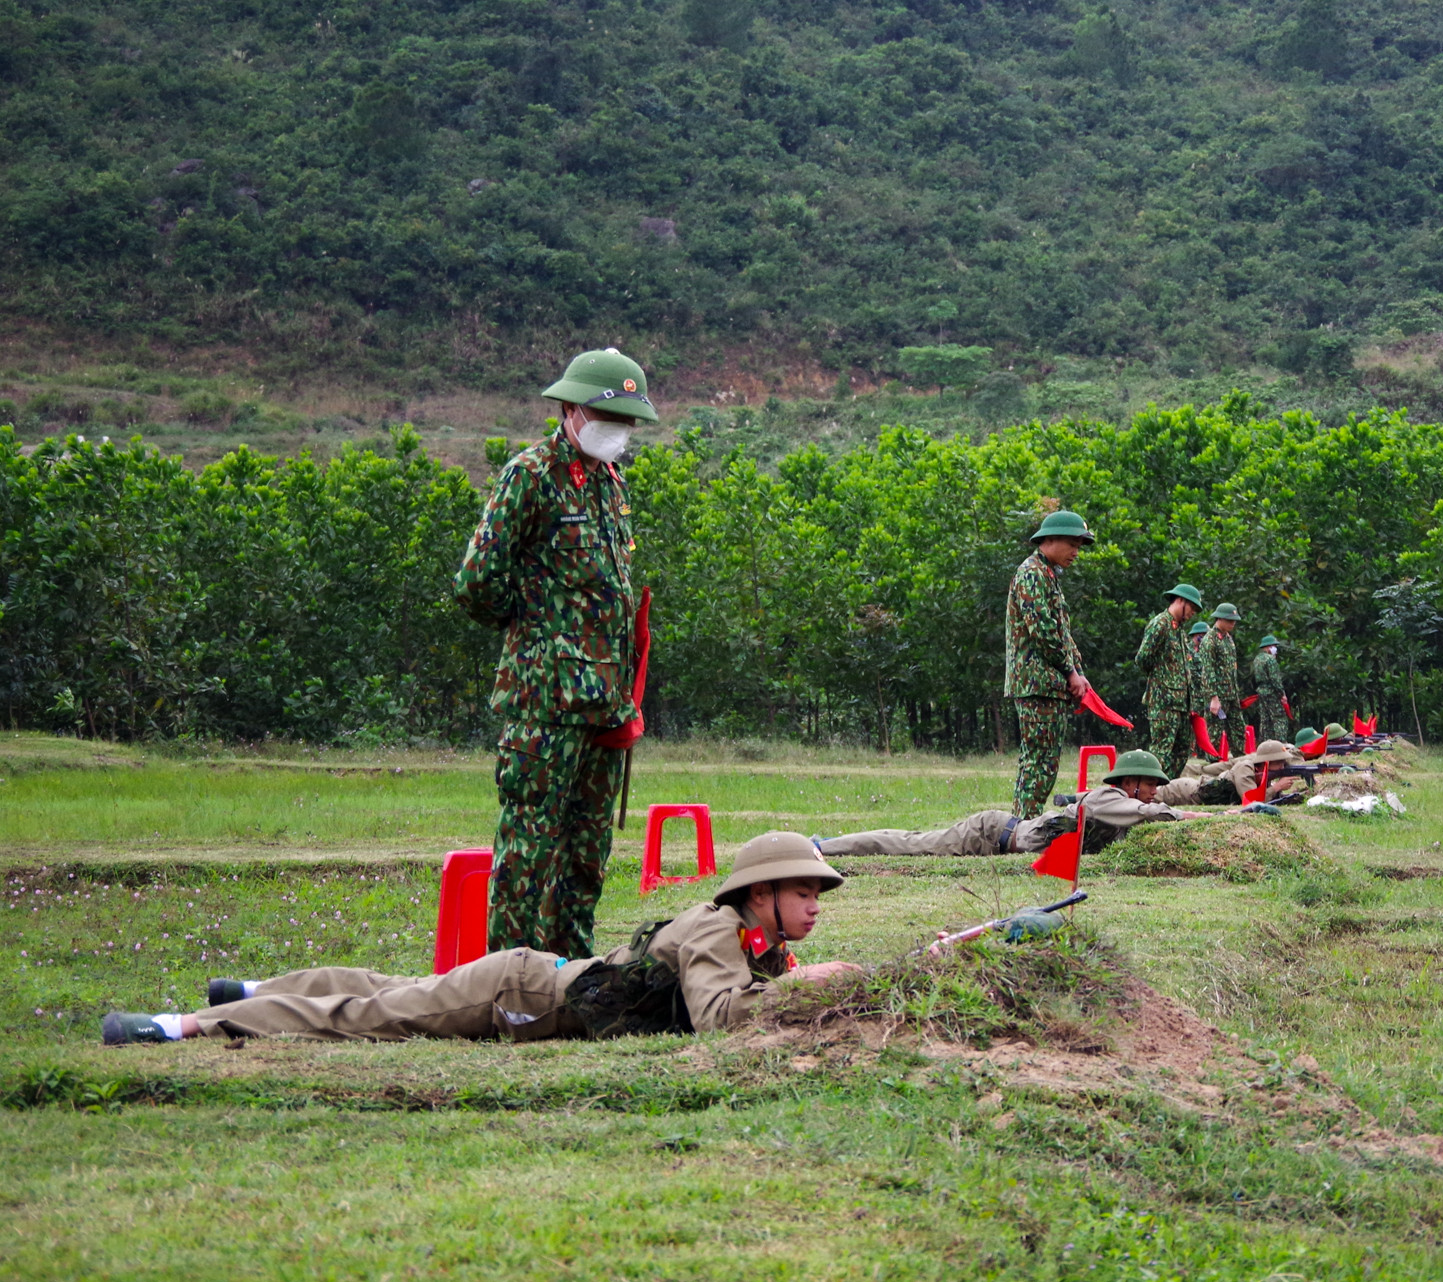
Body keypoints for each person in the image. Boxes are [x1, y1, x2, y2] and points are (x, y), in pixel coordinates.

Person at [101, 833, 861, 1045]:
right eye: (803, 891)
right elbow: (721, 1017)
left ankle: (257, 989)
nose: (814, 905)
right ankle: (190, 1024)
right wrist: (811, 982)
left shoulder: (755, 943)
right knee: (375, 1015)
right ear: (759, 894)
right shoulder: (716, 929)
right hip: (523, 995)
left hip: (540, 979)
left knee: (383, 989)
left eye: (817, 894)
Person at [452, 348, 659, 960]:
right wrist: (538, 632)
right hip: (546, 704)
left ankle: (574, 973)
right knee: (529, 849)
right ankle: (511, 980)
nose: (619, 431)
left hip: (605, 705)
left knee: (588, 852)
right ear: (571, 409)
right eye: (608, 416)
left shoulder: (608, 480)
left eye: (628, 421)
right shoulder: (532, 474)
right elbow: (476, 582)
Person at [816, 750, 1264, 858]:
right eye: (1150, 785)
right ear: (1130, 783)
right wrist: (1229, 812)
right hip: (993, 834)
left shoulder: (1120, 801)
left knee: (914, 842)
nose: (1155, 792)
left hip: (1010, 837)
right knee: (912, 845)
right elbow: (1155, 814)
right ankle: (827, 846)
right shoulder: (1110, 799)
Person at [1005, 509, 1093, 818]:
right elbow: (1043, 633)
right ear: (1049, 539)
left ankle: (1022, 825)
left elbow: (1063, 633)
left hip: (1049, 684)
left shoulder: (1047, 575)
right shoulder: (1032, 573)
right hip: (1036, 683)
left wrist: (1079, 674)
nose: (1076, 552)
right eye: (1072, 543)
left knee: (1044, 760)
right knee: (1039, 762)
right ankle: (1023, 827)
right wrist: (1070, 672)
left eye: (1079, 545)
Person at [1134, 582, 1202, 785]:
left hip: (1182, 702)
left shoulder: (1179, 630)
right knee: (1161, 749)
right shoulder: (1160, 624)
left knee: (1181, 751)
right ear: (1180, 601)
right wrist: (1161, 681)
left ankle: (1166, 789)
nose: (1192, 614)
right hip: (1164, 700)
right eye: (1191, 608)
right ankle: (1148, 789)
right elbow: (1143, 659)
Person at [1159, 739, 1302, 807]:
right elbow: (1251, 801)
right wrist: (1276, 787)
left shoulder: (1261, 771)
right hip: (1183, 792)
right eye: (1280, 763)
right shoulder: (1246, 768)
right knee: (1145, 798)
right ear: (1268, 761)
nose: (1283, 766)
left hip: (1194, 795)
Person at [1198, 603, 1246, 754]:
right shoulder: (1210, 640)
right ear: (1220, 619)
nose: (1233, 623)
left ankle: (1240, 760)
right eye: (1230, 620)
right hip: (1217, 695)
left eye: (1234, 620)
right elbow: (1207, 670)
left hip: (1231, 693)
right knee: (1215, 733)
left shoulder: (1228, 639)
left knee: (1238, 728)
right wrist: (1213, 697)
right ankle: (1213, 766)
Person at [1252, 634, 1288, 742]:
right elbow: (1275, 679)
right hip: (1272, 692)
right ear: (1268, 647)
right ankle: (1282, 743)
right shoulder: (1270, 660)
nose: (1275, 649)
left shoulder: (1257, 659)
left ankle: (1265, 744)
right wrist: (1282, 694)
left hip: (1262, 691)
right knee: (1279, 718)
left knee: (1265, 719)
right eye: (1273, 646)